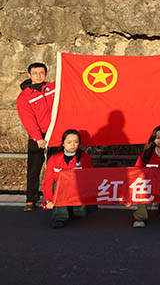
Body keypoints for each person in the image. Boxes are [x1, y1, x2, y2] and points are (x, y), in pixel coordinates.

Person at [16, 62, 56, 212]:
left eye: (41, 73)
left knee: (56, 168)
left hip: (56, 132)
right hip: (38, 136)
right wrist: (38, 138)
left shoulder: (53, 88)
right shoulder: (24, 97)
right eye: (35, 73)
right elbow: (28, 120)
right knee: (34, 169)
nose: (38, 76)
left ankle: (54, 196)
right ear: (29, 75)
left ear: (46, 74)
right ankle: (31, 199)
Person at [43, 129, 94, 228]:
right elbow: (48, 180)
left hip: (78, 191)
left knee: (79, 214)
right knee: (58, 184)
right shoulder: (54, 159)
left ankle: (77, 210)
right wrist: (48, 200)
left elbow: (90, 177)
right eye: (69, 142)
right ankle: (59, 217)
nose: (72, 145)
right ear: (63, 143)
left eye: (76, 142)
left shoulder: (84, 157)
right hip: (60, 192)